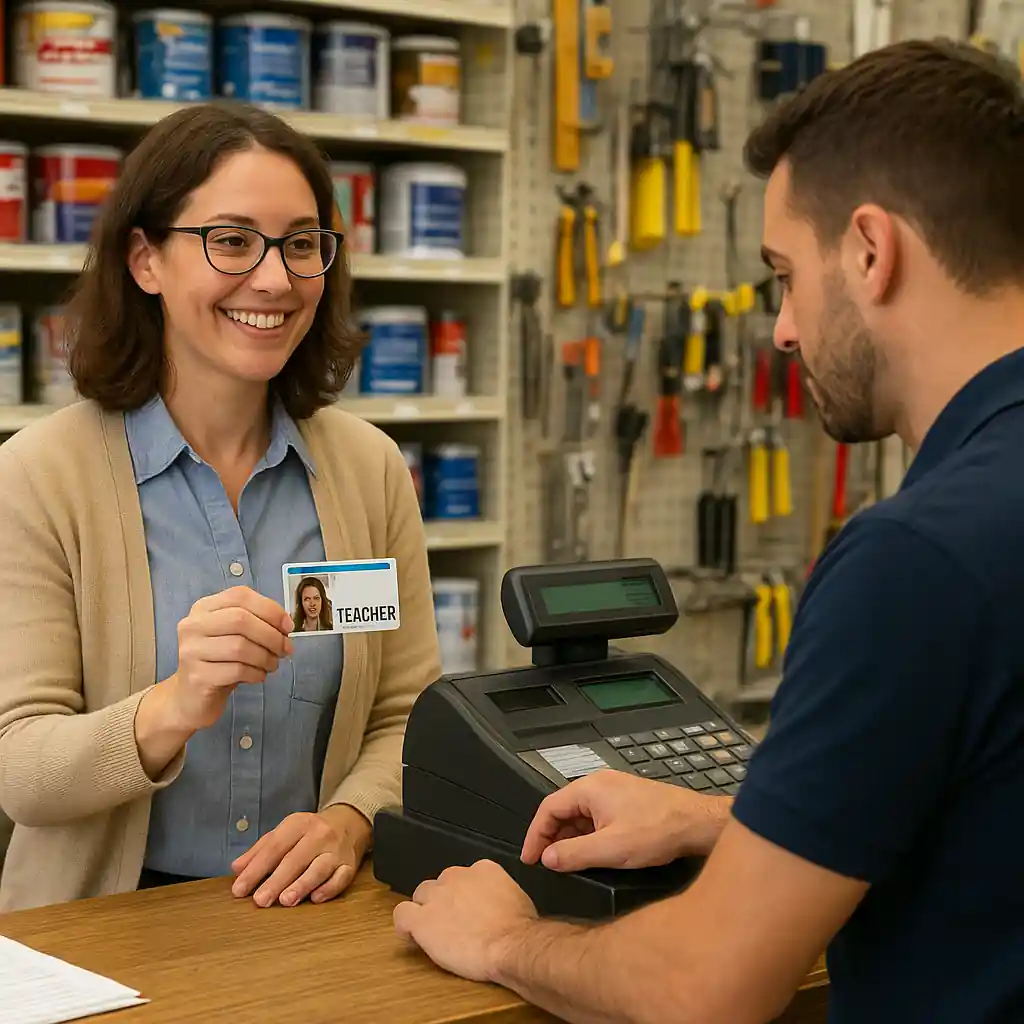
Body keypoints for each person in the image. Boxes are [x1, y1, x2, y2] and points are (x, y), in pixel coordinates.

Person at [393, 39, 1024, 1024]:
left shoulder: (914, 560)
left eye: (782, 274)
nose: (778, 328)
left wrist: (503, 938)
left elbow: (703, 988)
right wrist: (721, 818)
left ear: (869, 249)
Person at [0, 101, 441, 913]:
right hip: (103, 932)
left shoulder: (368, 471)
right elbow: (18, 770)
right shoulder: (38, 478)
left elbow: (406, 713)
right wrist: (172, 706)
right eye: (231, 240)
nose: (273, 279)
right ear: (146, 260)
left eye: (300, 244)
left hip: (317, 921)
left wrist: (349, 820)